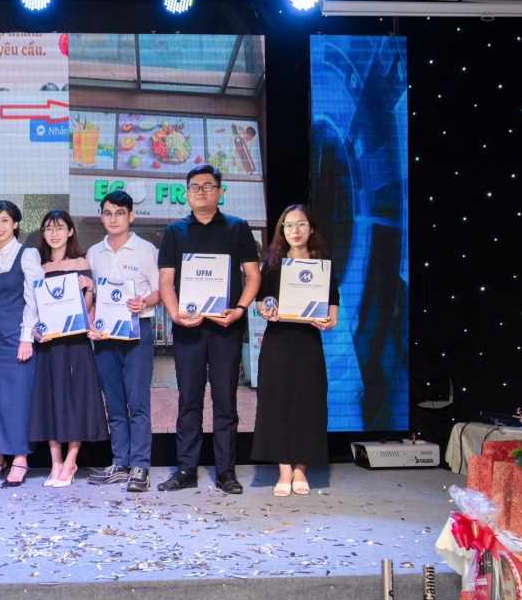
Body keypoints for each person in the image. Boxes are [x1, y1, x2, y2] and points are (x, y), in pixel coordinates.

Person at [156, 164, 261, 494]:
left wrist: (239, 310)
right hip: (188, 329)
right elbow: (166, 282)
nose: (200, 192)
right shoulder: (174, 232)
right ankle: (186, 469)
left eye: (207, 186)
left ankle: (226, 471)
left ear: (220, 191)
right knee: (188, 400)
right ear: (186, 194)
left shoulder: (237, 227)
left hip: (226, 327)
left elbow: (254, 276)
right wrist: (175, 315)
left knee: (226, 400)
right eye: (194, 187)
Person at [251, 205, 339, 496]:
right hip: (278, 342)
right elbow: (261, 300)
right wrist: (265, 309)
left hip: (308, 344)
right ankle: (285, 469)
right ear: (282, 231)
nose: (295, 230)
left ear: (311, 229)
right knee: (278, 403)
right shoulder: (273, 263)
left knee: (307, 404)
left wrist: (329, 320)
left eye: (301, 224)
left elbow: (333, 304)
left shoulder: (323, 264)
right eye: (288, 225)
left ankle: (301, 469)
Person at [85, 190, 161, 494]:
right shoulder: (94, 252)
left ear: (131, 215)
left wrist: (143, 302)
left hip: (137, 331)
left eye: (120, 213)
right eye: (108, 213)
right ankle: (120, 463)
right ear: (101, 216)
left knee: (138, 402)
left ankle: (141, 465)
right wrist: (90, 324)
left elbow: (159, 292)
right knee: (114, 403)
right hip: (105, 336)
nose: (113, 219)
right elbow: (92, 298)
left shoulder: (146, 250)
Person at [28, 210, 106, 488]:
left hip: (74, 342)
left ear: (70, 231)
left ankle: (71, 461)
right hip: (49, 344)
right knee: (50, 399)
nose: (54, 233)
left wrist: (90, 288)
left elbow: (85, 309)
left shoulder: (81, 262)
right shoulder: (38, 266)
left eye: (60, 228)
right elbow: (33, 307)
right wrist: (34, 328)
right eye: (49, 228)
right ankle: (55, 462)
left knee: (76, 400)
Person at [0, 200, 43, 488]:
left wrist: (26, 337)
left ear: (15, 224)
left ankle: (20, 460)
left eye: (4, 220)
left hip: (15, 337)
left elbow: (34, 298)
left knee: (16, 400)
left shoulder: (26, 255)